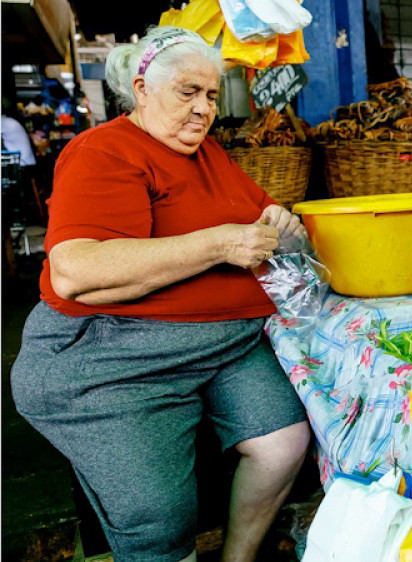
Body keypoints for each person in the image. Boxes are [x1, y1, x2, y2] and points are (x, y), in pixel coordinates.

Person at [10, 26, 311, 562]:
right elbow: (74, 270)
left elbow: (263, 215)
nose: (203, 109)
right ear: (143, 88)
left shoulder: (210, 154)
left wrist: (283, 225)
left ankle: (236, 558)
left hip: (225, 346)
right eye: (187, 92)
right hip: (117, 356)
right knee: (158, 514)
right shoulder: (101, 151)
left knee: (283, 440)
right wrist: (217, 244)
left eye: (212, 95)